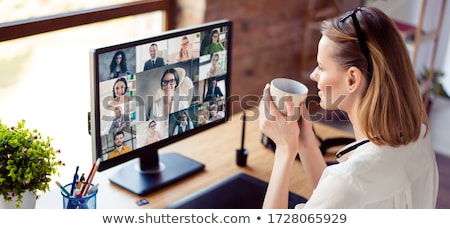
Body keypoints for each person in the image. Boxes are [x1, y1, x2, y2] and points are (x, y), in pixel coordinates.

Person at [259, 7, 439, 209]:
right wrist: (306, 143)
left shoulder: (350, 182)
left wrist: (284, 149)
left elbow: (345, 191)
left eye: (322, 67)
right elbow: (341, 201)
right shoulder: (420, 138)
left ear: (352, 79)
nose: (313, 75)